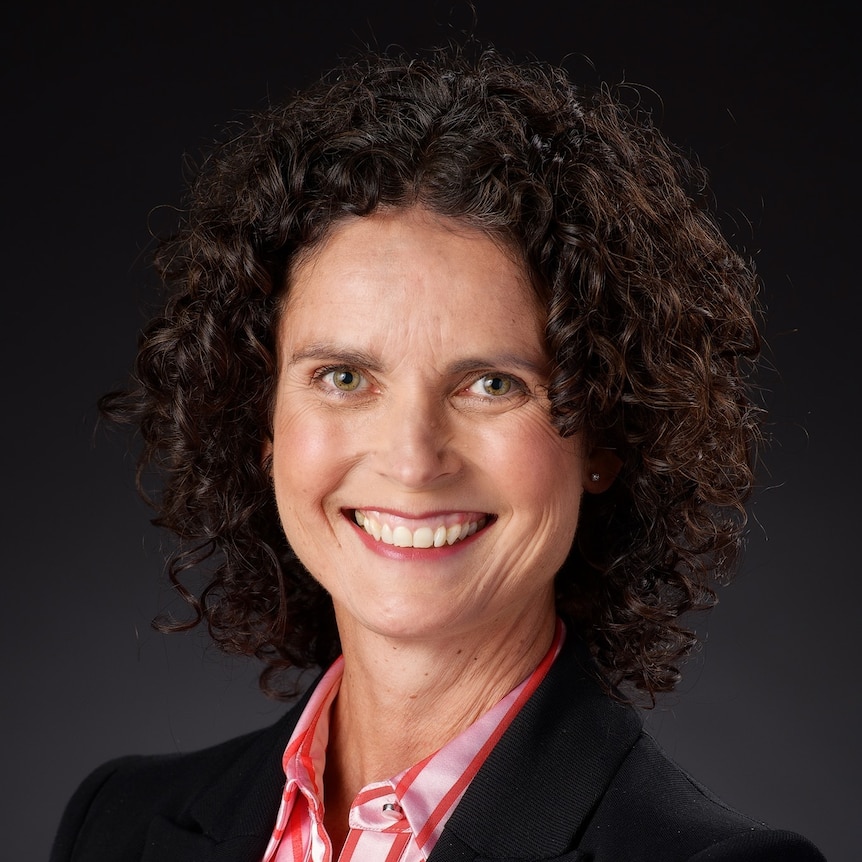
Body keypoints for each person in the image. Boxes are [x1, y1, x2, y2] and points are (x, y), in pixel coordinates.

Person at [51, 47, 825, 861]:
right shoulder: (117, 826)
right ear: (263, 422)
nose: (414, 459)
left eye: (491, 384)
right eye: (343, 376)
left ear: (606, 433)